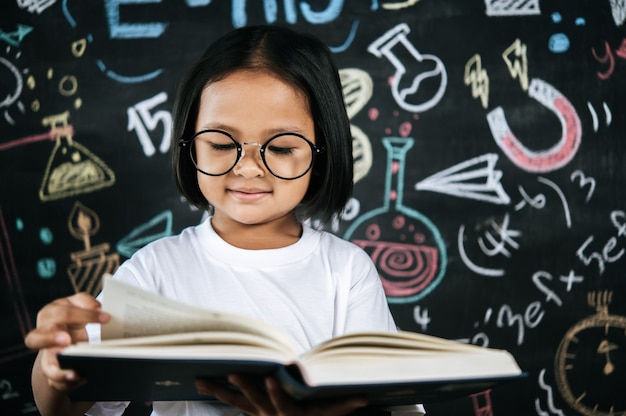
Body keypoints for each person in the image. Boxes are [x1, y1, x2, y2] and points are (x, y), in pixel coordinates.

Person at [24, 25, 426, 416]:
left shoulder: (346, 272)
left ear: (322, 152)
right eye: (220, 143)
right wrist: (57, 360)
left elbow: (386, 405)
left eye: (282, 148)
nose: (249, 168)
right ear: (190, 144)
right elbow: (69, 408)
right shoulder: (154, 271)